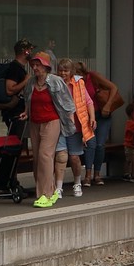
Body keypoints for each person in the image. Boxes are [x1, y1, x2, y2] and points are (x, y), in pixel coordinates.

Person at [18, 53, 74, 208]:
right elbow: (28, 98)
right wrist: (26, 112)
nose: (35, 68)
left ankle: (45, 195)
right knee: (37, 159)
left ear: (46, 66)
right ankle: (49, 191)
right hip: (35, 123)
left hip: (52, 121)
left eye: (38, 65)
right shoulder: (31, 82)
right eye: (33, 65)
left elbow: (68, 102)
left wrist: (70, 119)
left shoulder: (55, 81)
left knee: (45, 156)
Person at [55, 59, 94, 198]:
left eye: (65, 70)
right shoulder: (54, 83)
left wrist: (92, 117)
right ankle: (58, 187)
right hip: (59, 125)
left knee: (74, 157)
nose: (63, 73)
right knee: (61, 157)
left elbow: (88, 101)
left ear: (71, 72)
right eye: (60, 70)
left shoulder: (79, 83)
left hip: (76, 127)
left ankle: (77, 183)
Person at [77, 60, 120, 185]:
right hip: (88, 115)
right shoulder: (75, 83)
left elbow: (113, 87)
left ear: (84, 73)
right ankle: (88, 174)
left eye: (79, 74)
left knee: (100, 144)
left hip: (102, 114)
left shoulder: (93, 76)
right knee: (91, 143)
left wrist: (108, 105)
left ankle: (97, 174)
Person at [0, 38, 35, 139]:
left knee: (20, 140)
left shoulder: (20, 68)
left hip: (19, 111)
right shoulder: (15, 68)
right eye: (30, 50)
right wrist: (26, 81)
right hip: (14, 112)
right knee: (15, 140)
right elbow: (9, 90)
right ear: (25, 51)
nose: (31, 52)